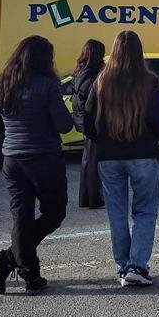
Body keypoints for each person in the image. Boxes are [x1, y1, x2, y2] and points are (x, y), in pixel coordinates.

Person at [0, 35, 73, 296]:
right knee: (54, 213)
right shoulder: (47, 85)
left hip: (12, 160)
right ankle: (12, 259)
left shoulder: (2, 84)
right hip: (44, 157)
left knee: (21, 216)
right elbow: (64, 125)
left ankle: (28, 272)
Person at [83, 31, 159, 287]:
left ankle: (122, 265)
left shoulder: (101, 81)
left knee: (116, 213)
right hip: (142, 153)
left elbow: (88, 122)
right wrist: (147, 137)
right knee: (145, 211)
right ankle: (137, 265)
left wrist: (104, 139)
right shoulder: (150, 81)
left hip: (109, 155)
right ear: (139, 52)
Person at [70, 39, 106, 209]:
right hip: (92, 120)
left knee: (88, 159)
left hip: (81, 119)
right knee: (93, 161)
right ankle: (94, 198)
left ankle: (85, 197)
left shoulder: (79, 72)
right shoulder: (95, 75)